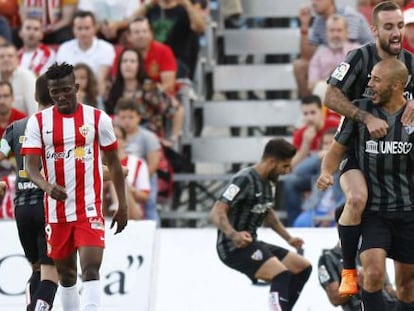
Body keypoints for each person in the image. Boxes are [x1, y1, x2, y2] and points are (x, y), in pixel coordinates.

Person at [323, 1, 414, 296]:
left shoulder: (410, 63)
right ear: (374, 29)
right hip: (358, 152)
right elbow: (330, 95)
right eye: (389, 27)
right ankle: (348, 269)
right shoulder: (359, 59)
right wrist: (365, 116)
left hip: (400, 159)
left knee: (407, 282)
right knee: (358, 198)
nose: (397, 32)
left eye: (400, 25)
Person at [21, 62, 128, 310]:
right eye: (54, 92)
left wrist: (122, 205)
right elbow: (31, 168)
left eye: (66, 90)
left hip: (89, 207)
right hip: (57, 212)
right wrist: (46, 186)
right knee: (67, 276)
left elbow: (113, 162)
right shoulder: (37, 123)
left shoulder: (98, 119)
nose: (60, 96)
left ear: (76, 87)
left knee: (91, 267)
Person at [210, 138, 312, 311]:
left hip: (252, 243)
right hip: (232, 247)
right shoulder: (243, 180)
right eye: (285, 166)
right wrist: (234, 235)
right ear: (272, 162)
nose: (287, 171)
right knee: (281, 274)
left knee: (302, 267)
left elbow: (268, 214)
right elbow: (217, 212)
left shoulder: (270, 182)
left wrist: (289, 238)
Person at [0, 74, 58, 310]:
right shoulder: (60, 129)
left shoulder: (14, 128)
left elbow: (1, 153)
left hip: (22, 208)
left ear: (34, 97)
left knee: (37, 269)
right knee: (51, 274)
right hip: (48, 207)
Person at [318, 206, 397, 311]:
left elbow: (389, 290)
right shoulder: (329, 258)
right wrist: (357, 282)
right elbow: (335, 298)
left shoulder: (372, 252)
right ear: (340, 225)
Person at [294, 0, 372, 98]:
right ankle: (309, 107)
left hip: (361, 63)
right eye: (331, 30)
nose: (314, 2)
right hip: (329, 70)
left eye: (318, 0)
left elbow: (345, 47)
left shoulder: (349, 15)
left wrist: (335, 75)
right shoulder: (319, 22)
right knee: (300, 66)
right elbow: (306, 56)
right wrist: (304, 26)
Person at [282, 95, 339, 226]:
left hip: (337, 172)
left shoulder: (334, 125)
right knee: (290, 182)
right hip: (314, 173)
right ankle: (294, 224)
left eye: (313, 113)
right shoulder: (301, 133)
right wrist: (306, 145)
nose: (309, 117)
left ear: (321, 111)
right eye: (305, 114)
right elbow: (292, 168)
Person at [56, 10, 115, 98]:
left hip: (96, 95)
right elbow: (61, 79)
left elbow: (101, 80)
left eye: (87, 28)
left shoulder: (106, 48)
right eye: (79, 28)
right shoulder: (64, 48)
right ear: (73, 29)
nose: (83, 33)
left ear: (95, 28)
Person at [0, 42, 37, 116]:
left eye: (10, 56)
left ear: (17, 59)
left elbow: (34, 109)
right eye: (1, 56)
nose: (6, 59)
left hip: (22, 125)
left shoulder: (28, 77)